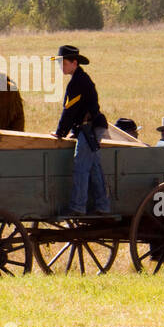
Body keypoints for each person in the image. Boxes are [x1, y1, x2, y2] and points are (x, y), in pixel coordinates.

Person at [53, 44, 110, 215]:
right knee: (93, 167)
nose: (60, 67)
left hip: (90, 128)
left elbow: (69, 111)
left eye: (63, 63)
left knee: (81, 166)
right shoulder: (79, 80)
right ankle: (102, 206)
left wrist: (60, 133)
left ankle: (78, 207)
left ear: (74, 63)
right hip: (89, 128)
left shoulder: (78, 82)